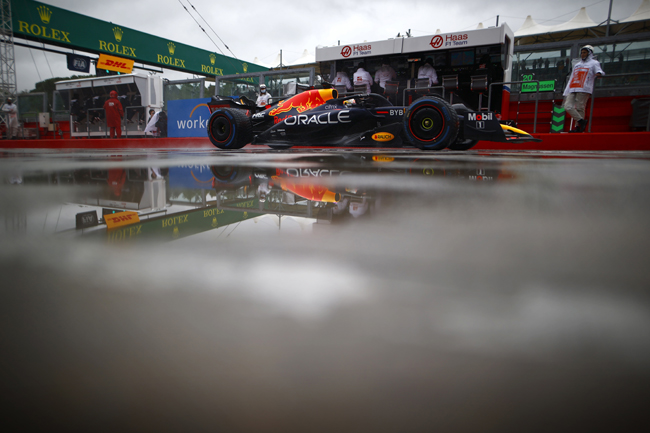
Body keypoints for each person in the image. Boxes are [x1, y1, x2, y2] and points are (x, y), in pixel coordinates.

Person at [562, 45, 604, 133]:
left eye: (584, 52)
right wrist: (567, 90)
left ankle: (578, 127)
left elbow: (599, 72)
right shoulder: (577, 65)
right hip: (573, 87)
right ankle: (581, 121)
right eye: (581, 53)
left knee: (580, 107)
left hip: (584, 88)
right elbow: (572, 77)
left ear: (589, 53)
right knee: (567, 106)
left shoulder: (594, 63)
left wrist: (599, 74)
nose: (582, 54)